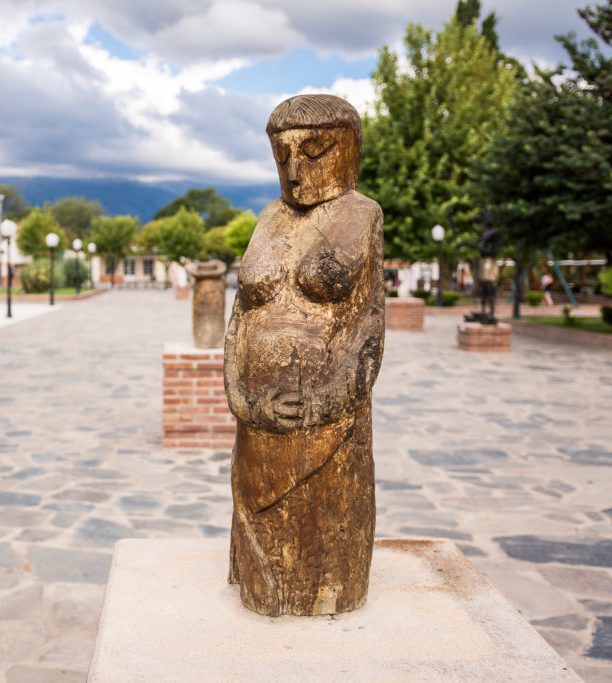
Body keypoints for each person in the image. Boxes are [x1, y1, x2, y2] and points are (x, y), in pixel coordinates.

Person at [224, 94, 383, 617]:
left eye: (314, 152)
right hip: (258, 421)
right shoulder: (268, 217)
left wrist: (326, 401)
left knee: (322, 546)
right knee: (263, 550)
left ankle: (327, 594)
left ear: (347, 149)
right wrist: (243, 399)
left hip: (331, 425)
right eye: (282, 155)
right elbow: (239, 320)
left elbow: (369, 325)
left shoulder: (361, 214)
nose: (294, 172)